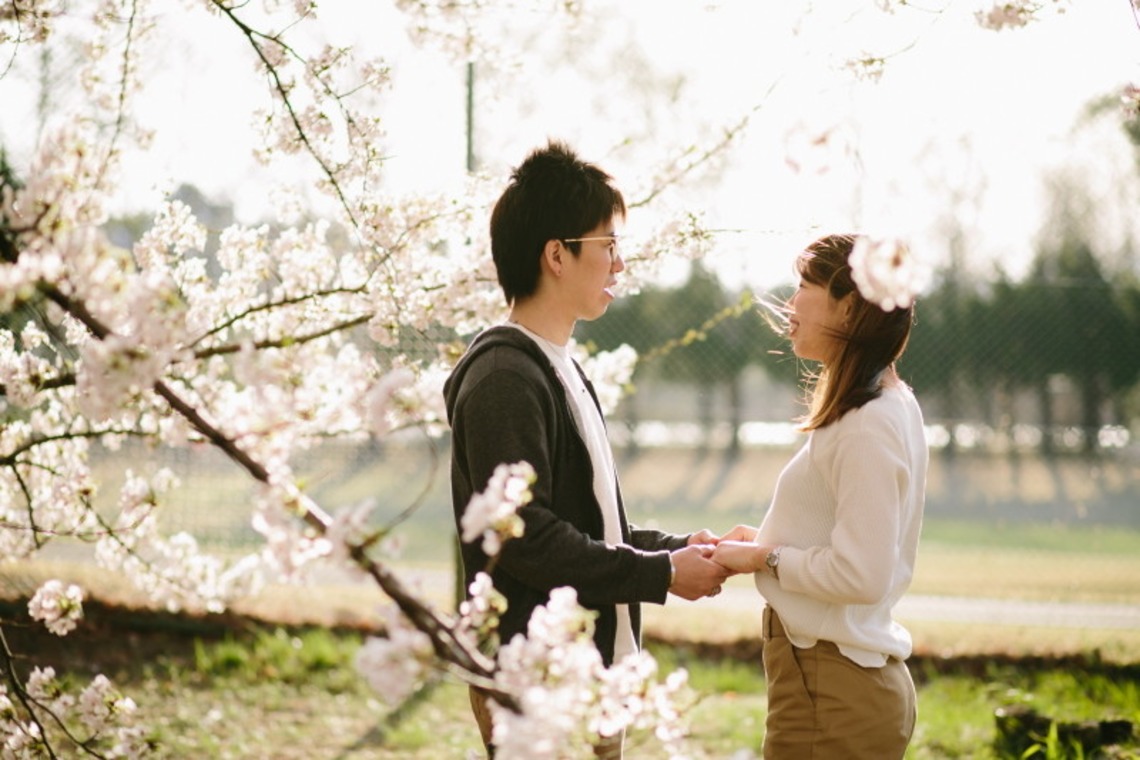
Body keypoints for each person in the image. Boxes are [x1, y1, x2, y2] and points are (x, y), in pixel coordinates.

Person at [443, 140, 729, 758]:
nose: (621, 265)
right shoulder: (504, 380)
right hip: (537, 683)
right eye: (609, 246)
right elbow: (528, 537)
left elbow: (593, 527)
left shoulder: (560, 369)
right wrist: (661, 574)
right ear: (557, 255)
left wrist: (681, 549)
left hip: (587, 672)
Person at [711, 233, 927, 759]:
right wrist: (763, 545)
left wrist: (767, 557)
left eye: (804, 285)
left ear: (848, 307)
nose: (791, 303)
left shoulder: (866, 425)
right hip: (834, 684)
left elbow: (862, 574)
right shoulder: (885, 406)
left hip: (832, 689)